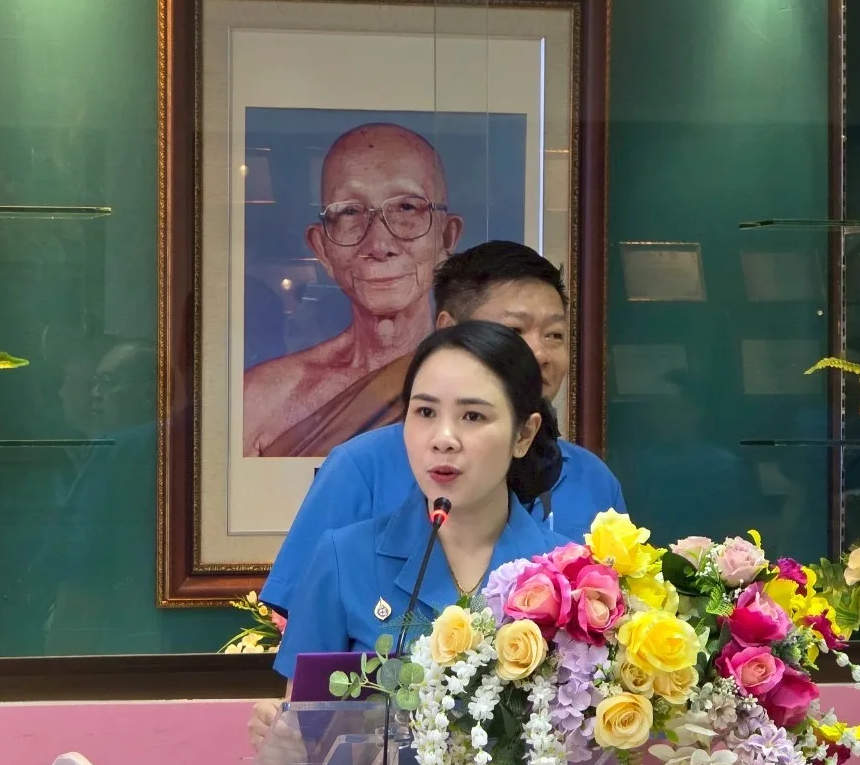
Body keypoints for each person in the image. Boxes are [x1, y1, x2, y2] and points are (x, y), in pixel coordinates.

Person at [272, 322, 666, 765]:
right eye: (424, 412)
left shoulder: (575, 575)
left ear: (523, 434)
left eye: (474, 416)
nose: (443, 439)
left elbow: (626, 722)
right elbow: (312, 730)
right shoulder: (342, 558)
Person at [259, 240, 625, 616]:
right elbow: (299, 623)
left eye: (554, 335)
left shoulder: (593, 480)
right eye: (514, 330)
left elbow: (616, 620)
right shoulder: (361, 468)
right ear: (448, 330)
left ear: (524, 435)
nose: (540, 355)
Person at [243, 123, 464, 457]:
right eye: (349, 212)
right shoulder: (263, 398)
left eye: (407, 208)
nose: (379, 245)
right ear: (322, 249)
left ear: (447, 238)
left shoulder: (479, 379)